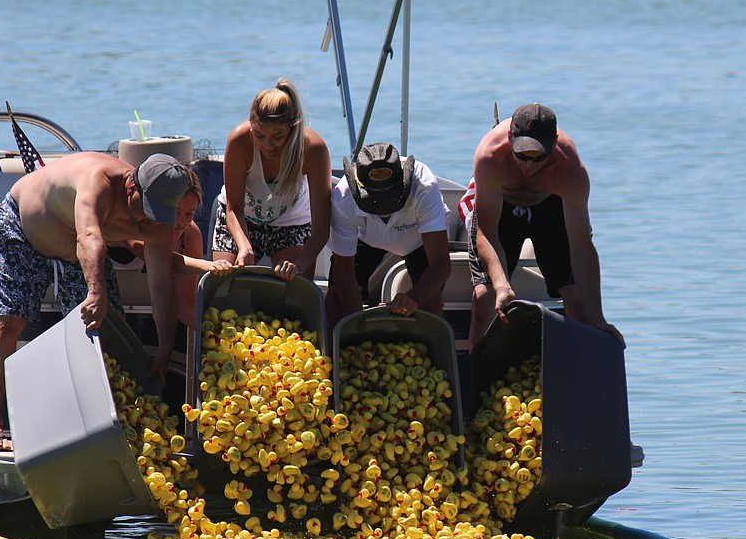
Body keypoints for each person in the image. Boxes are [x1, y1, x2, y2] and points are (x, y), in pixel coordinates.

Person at [0, 152, 200, 451]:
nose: (151, 218)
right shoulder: (98, 180)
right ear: (132, 187)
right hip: (25, 224)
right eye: (148, 209)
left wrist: (165, 348)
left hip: (74, 249)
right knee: (10, 321)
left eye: (159, 213)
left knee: (110, 332)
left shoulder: (162, 219)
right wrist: (96, 293)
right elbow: (89, 237)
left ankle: (102, 425)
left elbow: (160, 283)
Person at [468, 103, 624, 348]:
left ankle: (578, 365)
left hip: (549, 204)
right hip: (502, 207)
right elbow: (487, 232)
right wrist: (501, 286)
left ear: (554, 143)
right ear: (509, 138)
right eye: (521, 156)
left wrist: (598, 318)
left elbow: (581, 244)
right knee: (484, 301)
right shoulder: (490, 156)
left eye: (539, 157)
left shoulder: (570, 171)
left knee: (579, 305)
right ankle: (476, 370)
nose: (528, 166)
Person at [325, 142, 452, 335]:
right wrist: (358, 324)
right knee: (336, 300)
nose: (384, 212)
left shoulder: (424, 185)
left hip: (418, 238)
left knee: (430, 308)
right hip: (365, 237)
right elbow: (345, 271)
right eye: (374, 203)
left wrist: (412, 298)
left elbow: (441, 263)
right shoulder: (343, 197)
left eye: (391, 201)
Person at [212, 78, 332, 280]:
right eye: (259, 135)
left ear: (293, 130)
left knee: (293, 288)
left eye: (278, 136)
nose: (268, 144)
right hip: (241, 220)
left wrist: (299, 266)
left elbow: (321, 229)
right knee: (225, 284)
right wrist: (244, 247)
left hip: (292, 224)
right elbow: (234, 209)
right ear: (251, 124)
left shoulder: (313, 149)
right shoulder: (239, 140)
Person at [108, 182, 222, 330]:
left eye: (189, 214)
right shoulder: (133, 223)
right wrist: (207, 265)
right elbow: (161, 259)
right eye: (176, 211)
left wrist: (218, 332)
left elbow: (185, 306)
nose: (181, 221)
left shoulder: (191, 234)